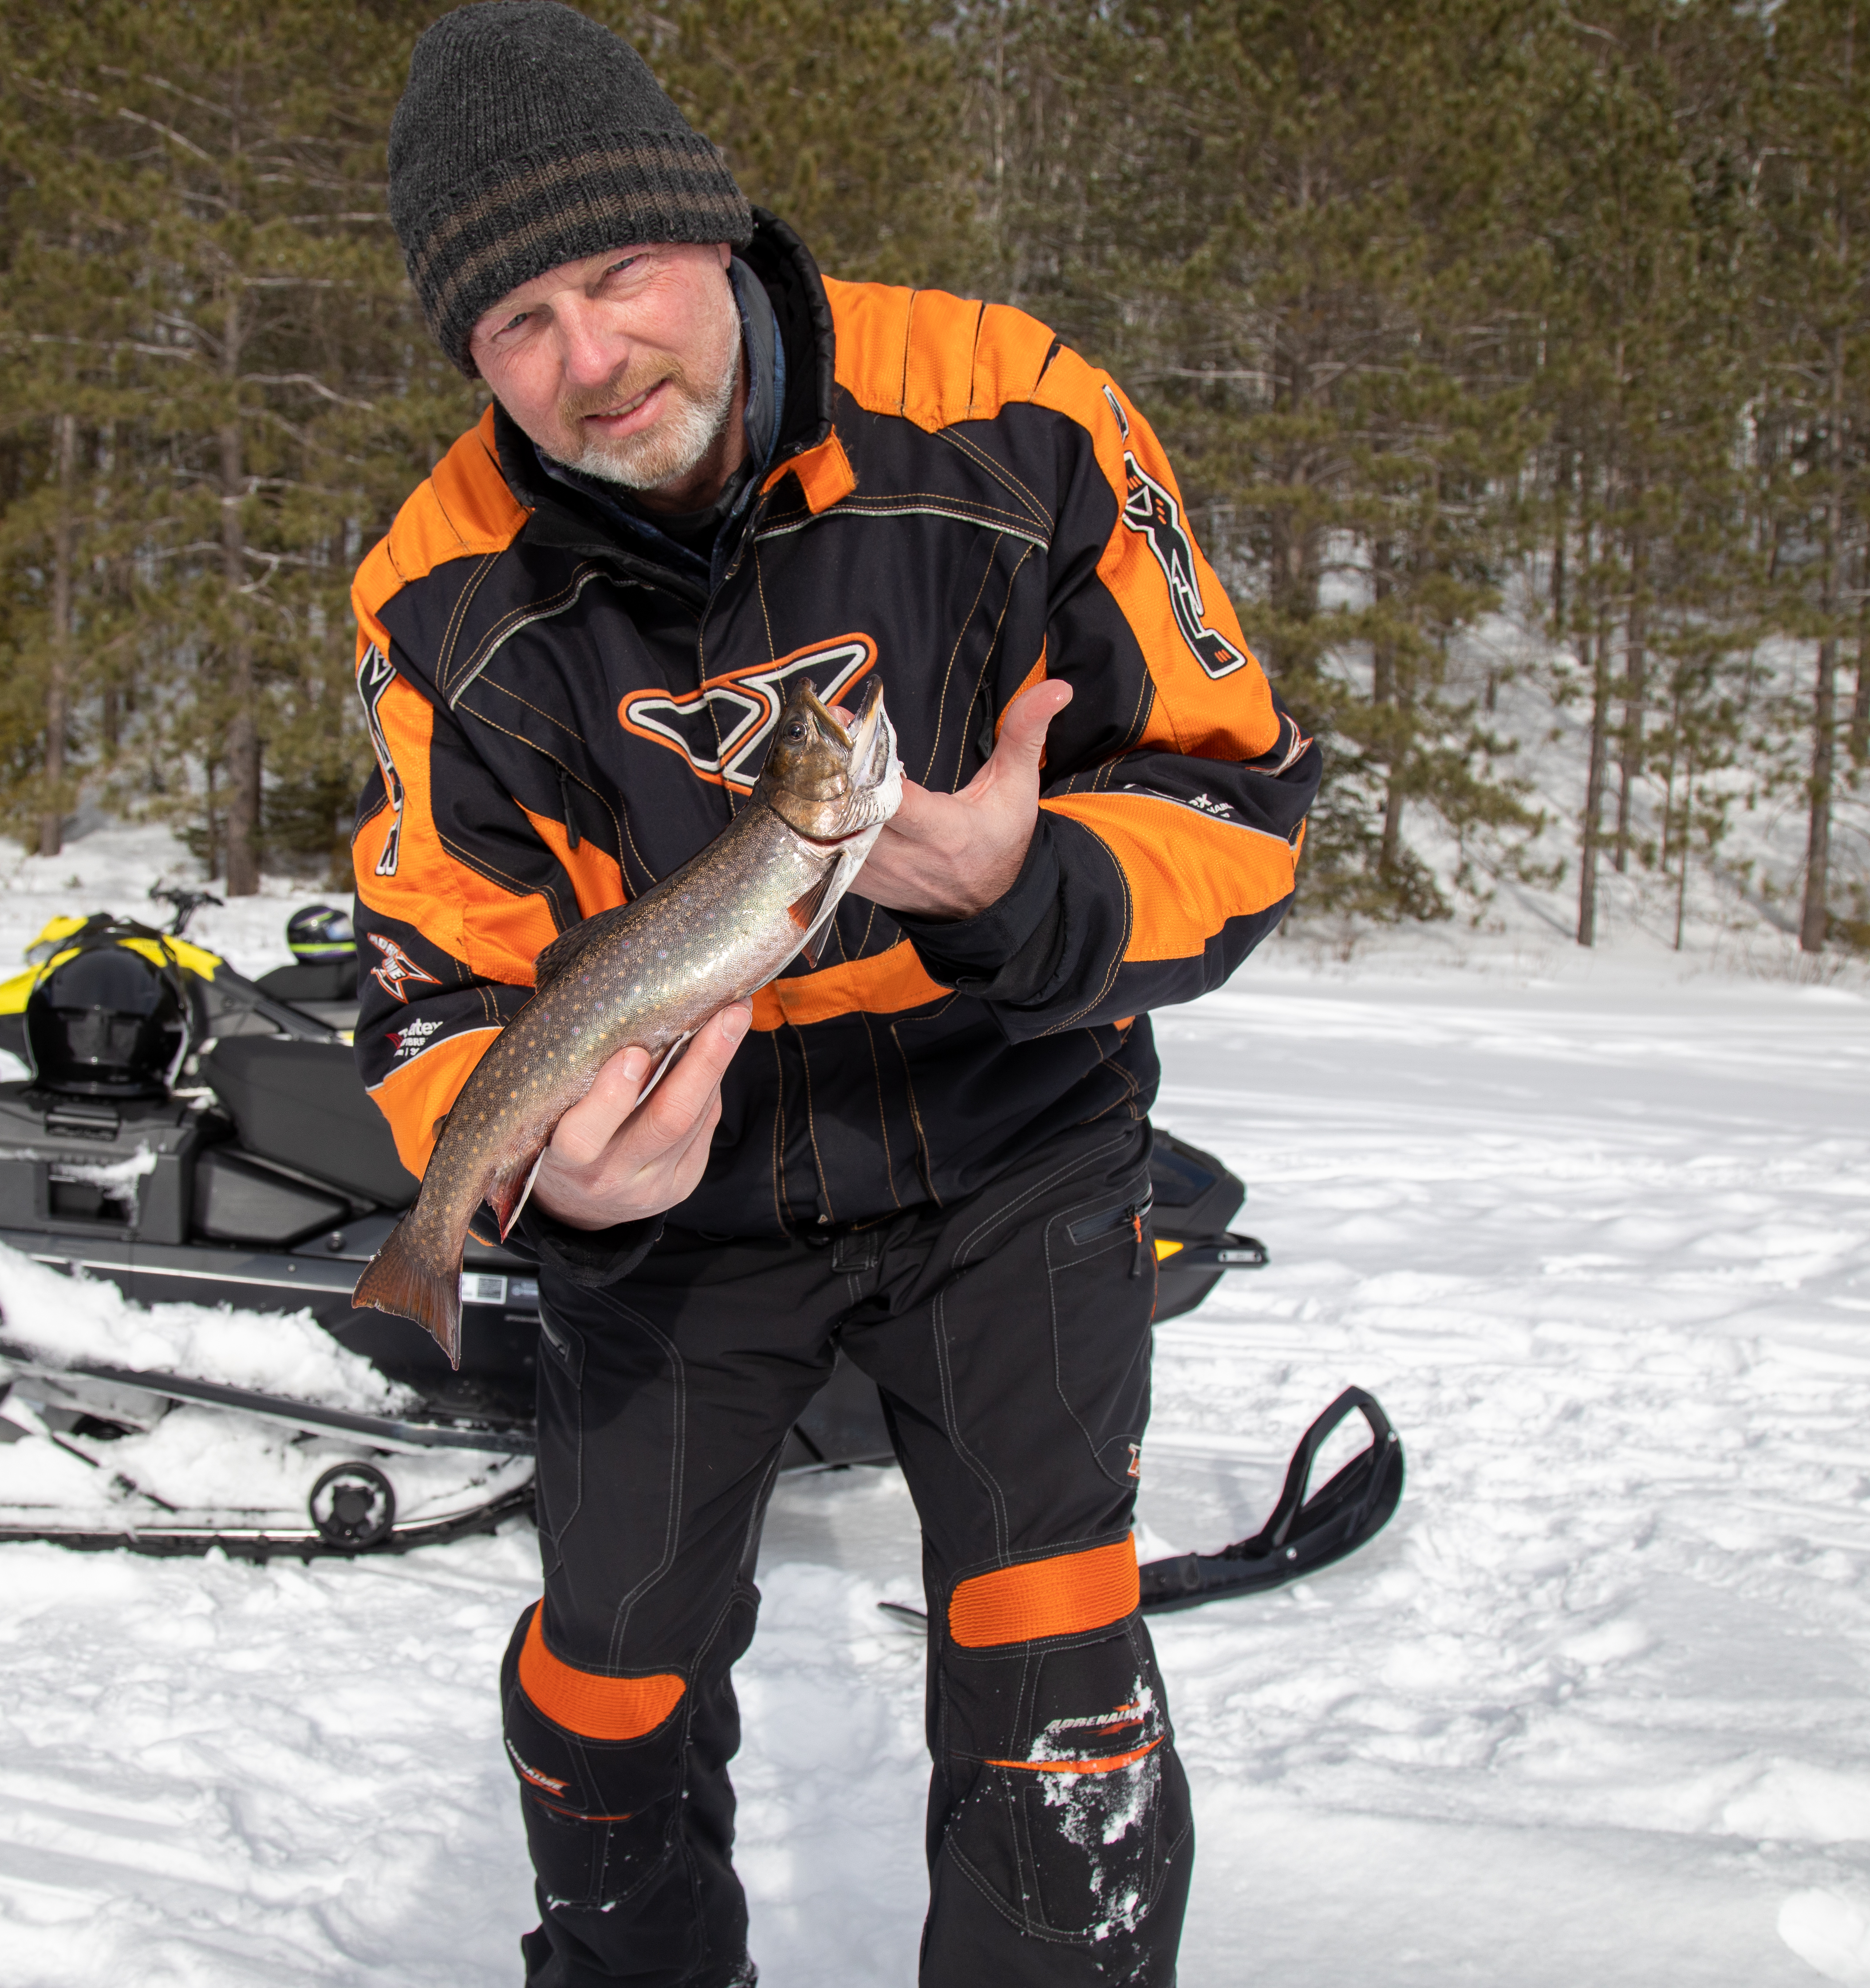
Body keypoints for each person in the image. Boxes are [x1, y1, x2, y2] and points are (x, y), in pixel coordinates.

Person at [351, 7, 1320, 1981]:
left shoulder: (1008, 401)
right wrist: (544, 1175)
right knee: (609, 1687)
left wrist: (1025, 882)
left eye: (619, 274)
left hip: (1010, 1135)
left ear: (715, 232)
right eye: (517, 323)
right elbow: (429, 966)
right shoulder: (434, 580)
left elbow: (1238, 798)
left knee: (1053, 1677)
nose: (590, 360)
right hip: (679, 1209)